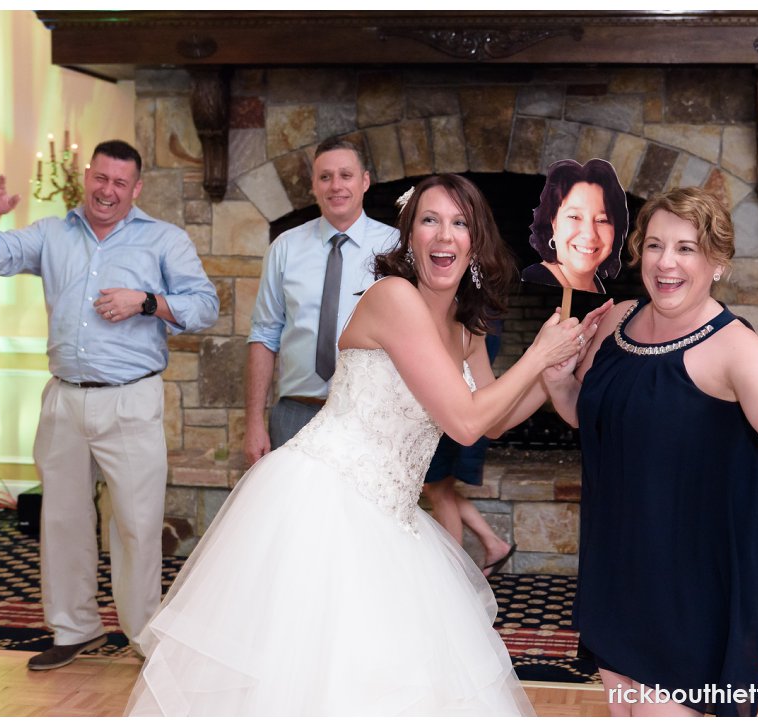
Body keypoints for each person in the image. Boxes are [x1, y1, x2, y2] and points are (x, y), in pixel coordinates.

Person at [125, 174, 606, 716]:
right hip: (327, 501)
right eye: (430, 220)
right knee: (313, 679)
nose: (443, 235)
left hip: (393, 517)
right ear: (410, 235)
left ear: (474, 241)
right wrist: (536, 357)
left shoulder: (466, 326)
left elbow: (492, 418)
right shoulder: (393, 297)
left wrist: (553, 374)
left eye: (459, 222)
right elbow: (465, 424)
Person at [542, 187, 758, 716]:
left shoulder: (734, 345)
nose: (666, 262)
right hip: (619, 559)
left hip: (692, 577)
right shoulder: (617, 322)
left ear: (717, 262)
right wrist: (560, 385)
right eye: (655, 246)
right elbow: (604, 424)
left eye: (686, 248)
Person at [0, 140, 220, 670]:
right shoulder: (53, 233)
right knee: (62, 520)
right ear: (87, 176)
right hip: (63, 401)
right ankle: (73, 629)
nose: (107, 191)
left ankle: (144, 636)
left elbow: (206, 307)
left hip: (131, 399)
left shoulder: (164, 239)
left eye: (119, 183)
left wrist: (145, 301)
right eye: (100, 178)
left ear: (136, 189)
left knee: (136, 523)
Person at [243, 137, 398, 466]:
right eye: (325, 177)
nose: (335, 186)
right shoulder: (284, 248)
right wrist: (254, 422)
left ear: (365, 181)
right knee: (292, 516)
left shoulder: (396, 248)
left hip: (368, 417)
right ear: (313, 185)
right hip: (294, 414)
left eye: (346, 175)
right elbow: (264, 335)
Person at [422, 324, 515, 577]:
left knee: (438, 490)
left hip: (453, 411)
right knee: (436, 488)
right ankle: (494, 544)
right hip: (453, 410)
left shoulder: (469, 324)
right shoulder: (482, 319)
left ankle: (454, 576)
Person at [520, 158, 627, 293]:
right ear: (553, 222)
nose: (589, 234)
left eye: (602, 220)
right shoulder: (532, 282)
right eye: (574, 217)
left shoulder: (595, 285)